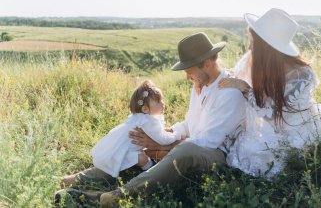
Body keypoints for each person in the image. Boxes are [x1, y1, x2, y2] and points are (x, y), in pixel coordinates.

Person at [56, 32, 246, 207]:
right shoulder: (201, 84)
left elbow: (208, 141)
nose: (187, 76)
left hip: (216, 155)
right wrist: (171, 132)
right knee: (137, 138)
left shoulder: (229, 94)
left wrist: (164, 146)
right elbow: (190, 124)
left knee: (183, 150)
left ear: (206, 63)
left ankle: (114, 197)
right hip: (195, 145)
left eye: (188, 70)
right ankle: (84, 178)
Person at [219, 8, 321, 177]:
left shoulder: (302, 75)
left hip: (294, 128)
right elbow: (234, 75)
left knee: (258, 153)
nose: (249, 46)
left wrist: (244, 88)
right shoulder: (255, 60)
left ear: (267, 48)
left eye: (253, 42)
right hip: (271, 124)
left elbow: (272, 113)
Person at [91, 80, 182, 177]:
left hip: (118, 148)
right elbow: (164, 139)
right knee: (143, 159)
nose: (163, 103)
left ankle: (136, 170)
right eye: (159, 101)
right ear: (145, 109)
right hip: (124, 152)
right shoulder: (149, 122)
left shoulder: (139, 118)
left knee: (142, 157)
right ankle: (149, 173)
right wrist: (177, 134)